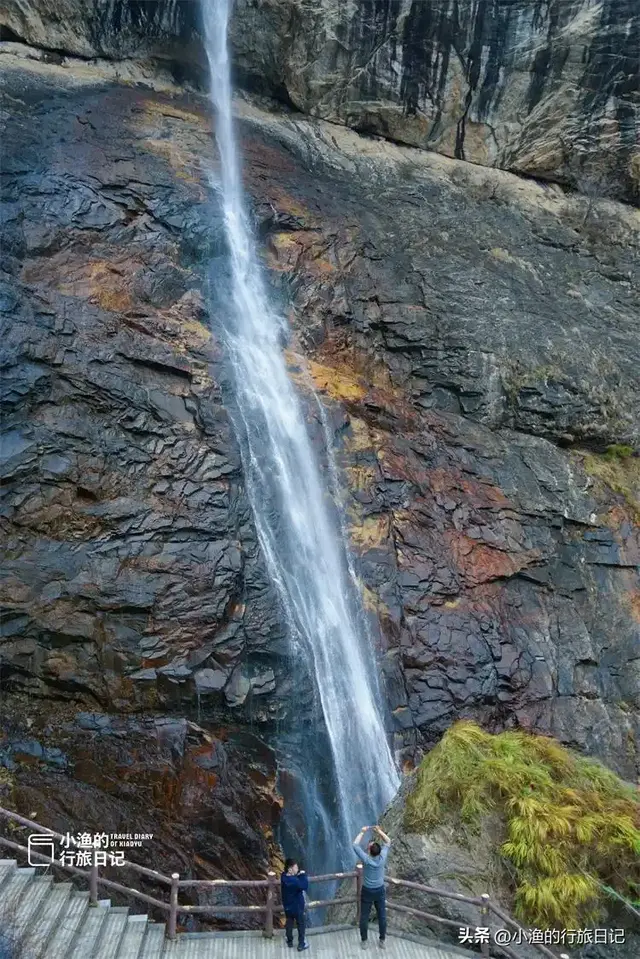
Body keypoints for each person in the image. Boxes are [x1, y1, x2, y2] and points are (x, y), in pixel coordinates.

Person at [353, 824, 392, 950]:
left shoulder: (366, 859)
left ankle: (364, 941)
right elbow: (388, 841)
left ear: (369, 851)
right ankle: (382, 940)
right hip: (379, 890)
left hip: (367, 891)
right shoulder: (382, 857)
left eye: (370, 846)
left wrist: (362, 832)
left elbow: (355, 845)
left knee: (364, 916)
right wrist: (379, 831)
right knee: (382, 916)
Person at [280, 857, 310, 951]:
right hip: (297, 907)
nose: (297, 869)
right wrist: (303, 875)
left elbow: (291, 878)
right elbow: (304, 886)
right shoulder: (295, 881)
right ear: (290, 869)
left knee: (289, 922)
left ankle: (289, 941)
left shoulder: (283, 877)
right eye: (296, 868)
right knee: (301, 924)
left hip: (287, 906)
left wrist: (297, 875)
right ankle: (301, 944)